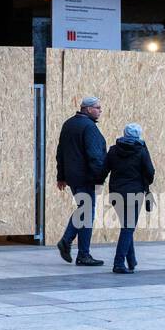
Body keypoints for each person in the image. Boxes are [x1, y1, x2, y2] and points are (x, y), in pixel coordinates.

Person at [55, 96, 107, 267]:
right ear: (87, 108)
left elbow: (60, 152)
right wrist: (99, 177)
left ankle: (74, 246)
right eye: (97, 108)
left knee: (84, 210)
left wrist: (61, 176)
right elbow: (95, 156)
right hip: (86, 177)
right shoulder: (89, 127)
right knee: (87, 213)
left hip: (73, 177)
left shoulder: (69, 124)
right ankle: (77, 249)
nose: (100, 110)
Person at [103, 123, 155, 274]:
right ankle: (119, 263)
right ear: (138, 135)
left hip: (116, 193)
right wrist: (146, 182)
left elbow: (104, 170)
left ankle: (131, 260)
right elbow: (150, 172)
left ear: (124, 134)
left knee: (127, 226)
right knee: (128, 228)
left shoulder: (113, 150)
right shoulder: (141, 151)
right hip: (134, 193)